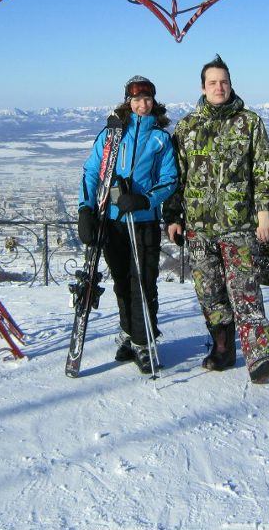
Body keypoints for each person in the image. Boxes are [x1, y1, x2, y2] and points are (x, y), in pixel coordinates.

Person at [164, 55, 269, 384]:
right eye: (213, 83)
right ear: (203, 88)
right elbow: (177, 177)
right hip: (198, 225)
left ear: (231, 85)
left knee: (246, 291)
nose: (219, 87)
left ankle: (262, 358)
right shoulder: (187, 127)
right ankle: (223, 348)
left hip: (240, 223)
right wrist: (174, 216)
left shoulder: (250, 123)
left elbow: (263, 171)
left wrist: (263, 213)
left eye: (224, 82)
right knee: (208, 291)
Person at [77, 75, 177, 375]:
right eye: (136, 99)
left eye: (147, 99)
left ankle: (145, 341)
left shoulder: (160, 138)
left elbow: (169, 180)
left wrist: (144, 200)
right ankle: (129, 334)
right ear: (128, 102)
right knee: (121, 281)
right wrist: (86, 209)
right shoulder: (110, 136)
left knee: (143, 284)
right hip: (113, 222)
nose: (142, 104)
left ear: (153, 102)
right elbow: (92, 171)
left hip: (143, 222)